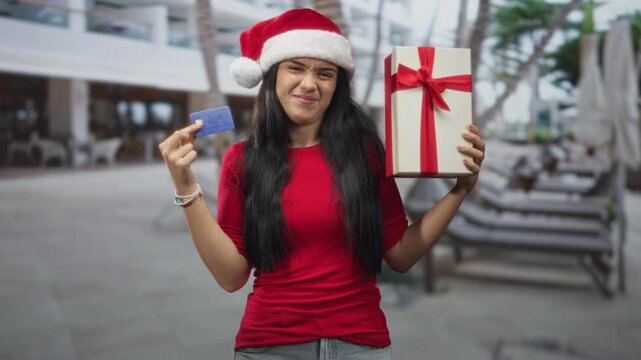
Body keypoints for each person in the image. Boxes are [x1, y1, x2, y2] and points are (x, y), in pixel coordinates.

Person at [158, 8, 485, 360]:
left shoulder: (366, 153)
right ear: (272, 77)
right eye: (295, 67)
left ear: (336, 86)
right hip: (270, 345)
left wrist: (460, 190)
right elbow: (230, 276)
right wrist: (185, 186)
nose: (309, 84)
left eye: (325, 73)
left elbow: (401, 255)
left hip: (361, 345)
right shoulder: (241, 160)